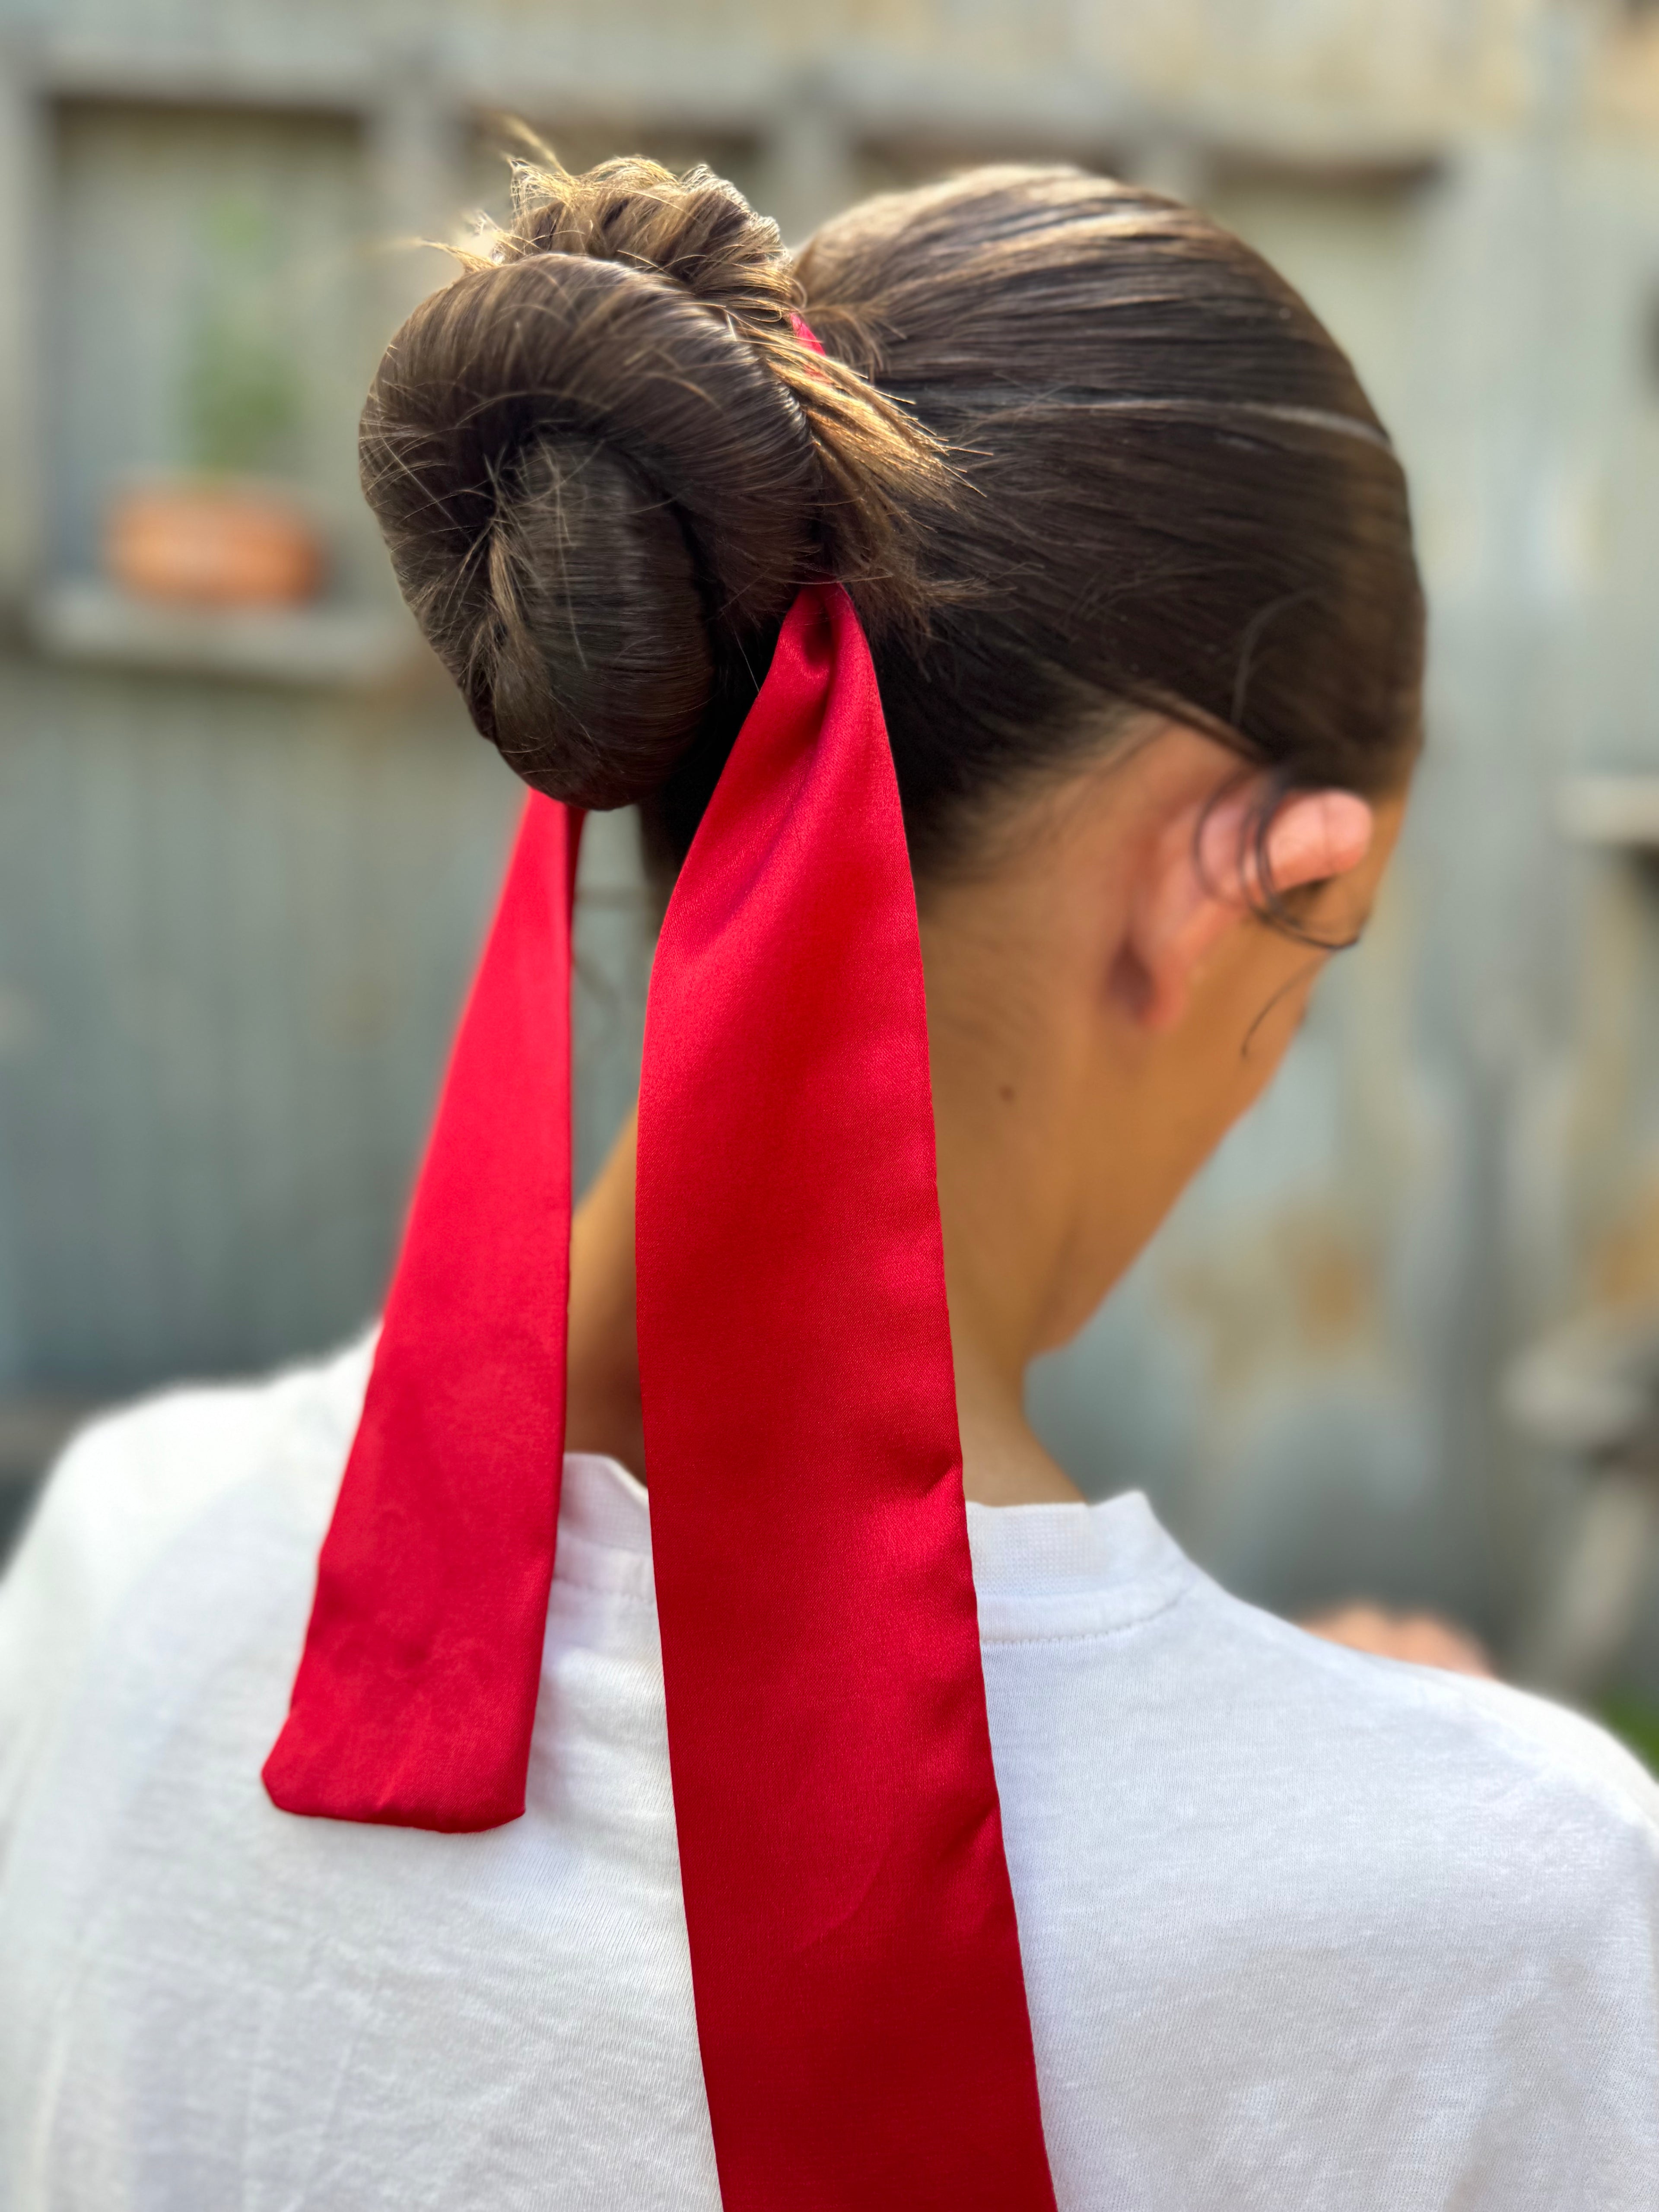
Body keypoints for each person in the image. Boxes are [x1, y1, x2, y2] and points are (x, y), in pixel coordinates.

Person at [2, 156, 1656, 2210]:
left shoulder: (124, 1570)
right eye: (1336, 940)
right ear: (1257, 876)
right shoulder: (1514, 1931)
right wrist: (1412, 1809)